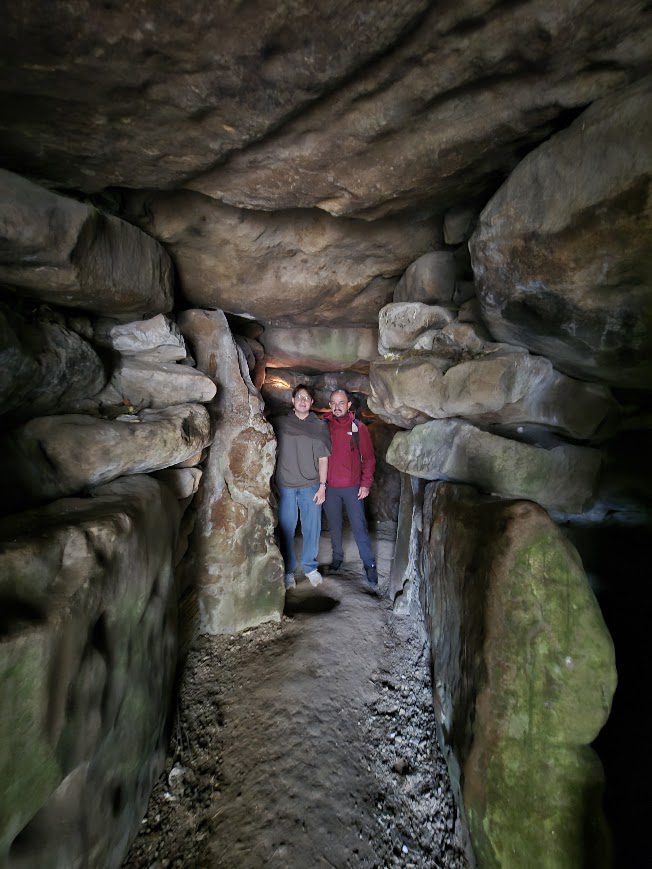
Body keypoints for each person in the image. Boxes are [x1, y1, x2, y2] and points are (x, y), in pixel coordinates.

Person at [273, 384, 331, 590]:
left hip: (311, 485)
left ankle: (309, 567)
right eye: (299, 397)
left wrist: (323, 486)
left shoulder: (319, 425)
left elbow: (324, 458)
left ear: (312, 402)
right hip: (287, 485)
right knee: (287, 528)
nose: (303, 400)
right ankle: (288, 571)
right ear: (292, 400)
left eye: (307, 398)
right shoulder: (280, 423)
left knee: (311, 529)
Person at [323, 389, 378, 592]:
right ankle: (337, 558)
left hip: (353, 487)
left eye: (341, 403)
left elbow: (369, 458)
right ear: (330, 405)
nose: (337, 406)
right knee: (335, 526)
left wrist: (365, 484)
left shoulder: (358, 427)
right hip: (331, 488)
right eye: (334, 403)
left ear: (348, 405)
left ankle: (369, 564)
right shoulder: (324, 426)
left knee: (359, 527)